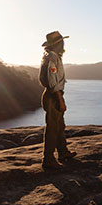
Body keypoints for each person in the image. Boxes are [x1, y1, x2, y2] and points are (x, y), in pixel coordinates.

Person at [39, 30, 75, 170]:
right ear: (57, 44)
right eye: (61, 42)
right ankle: (48, 159)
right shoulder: (52, 58)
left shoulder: (50, 56)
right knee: (53, 128)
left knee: (60, 125)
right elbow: (52, 81)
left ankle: (63, 152)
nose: (63, 44)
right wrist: (60, 99)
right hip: (54, 96)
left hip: (53, 94)